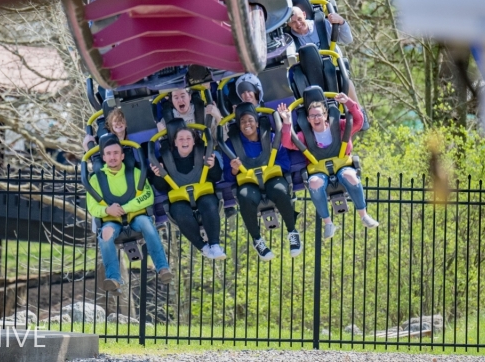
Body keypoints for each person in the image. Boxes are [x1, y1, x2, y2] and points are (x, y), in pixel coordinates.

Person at [85, 136, 173, 292]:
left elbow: (147, 196)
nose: (112, 157)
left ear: (122, 156)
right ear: (103, 157)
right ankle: (114, 278)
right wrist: (107, 210)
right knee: (105, 234)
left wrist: (126, 208)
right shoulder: (95, 180)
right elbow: (92, 207)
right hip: (112, 220)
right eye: (109, 154)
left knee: (147, 224)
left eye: (116, 153)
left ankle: (163, 268)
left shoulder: (135, 172)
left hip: (136, 217)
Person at [281, 97, 378, 237]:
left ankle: (364, 215)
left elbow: (358, 121)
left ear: (325, 115)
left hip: (342, 165)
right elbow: (287, 143)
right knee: (314, 183)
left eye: (319, 114)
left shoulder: (340, 126)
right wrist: (286, 121)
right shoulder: (304, 136)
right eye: (312, 116)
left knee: (350, 176)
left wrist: (348, 103)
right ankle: (328, 224)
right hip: (318, 170)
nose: (316, 118)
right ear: (308, 119)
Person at [222, 103, 299, 260]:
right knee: (244, 196)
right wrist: (235, 169)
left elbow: (285, 162)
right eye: (242, 122)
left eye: (250, 120)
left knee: (279, 190)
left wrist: (268, 168)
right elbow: (229, 177)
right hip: (248, 182)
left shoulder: (270, 138)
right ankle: (257, 239)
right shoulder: (232, 145)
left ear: (257, 123)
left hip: (272, 177)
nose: (246, 124)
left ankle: (292, 231)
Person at [149, 124, 226, 260]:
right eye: (181, 139)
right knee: (180, 212)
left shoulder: (203, 154)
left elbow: (216, 176)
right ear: (175, 142)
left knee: (208, 204)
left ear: (194, 141)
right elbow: (160, 187)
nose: (185, 141)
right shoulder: (166, 159)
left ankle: (214, 244)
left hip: (203, 193)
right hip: (179, 199)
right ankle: (203, 247)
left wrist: (213, 166)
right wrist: (157, 175)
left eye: (188, 138)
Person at [286, 5, 352, 50]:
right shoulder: (288, 40)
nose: (298, 24)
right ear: (289, 24)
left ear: (304, 15)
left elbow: (347, 40)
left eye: (299, 19)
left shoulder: (322, 24)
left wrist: (342, 22)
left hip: (332, 64)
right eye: (293, 22)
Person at [157, 87, 222, 131]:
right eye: (176, 98)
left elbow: (222, 138)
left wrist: (218, 118)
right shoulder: (166, 121)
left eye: (183, 96)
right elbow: (166, 149)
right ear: (172, 101)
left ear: (189, 97)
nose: (180, 100)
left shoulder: (206, 112)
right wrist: (163, 137)